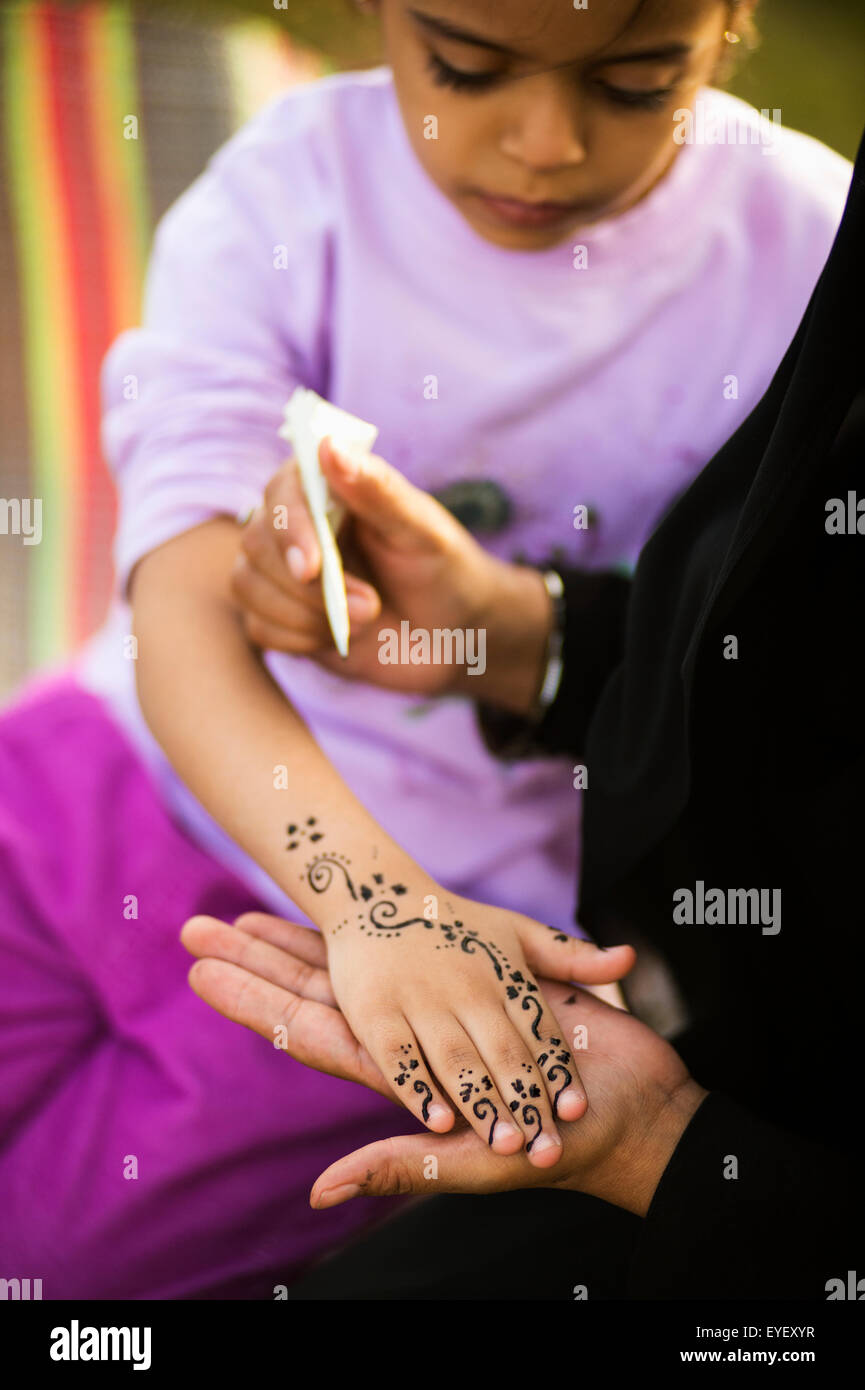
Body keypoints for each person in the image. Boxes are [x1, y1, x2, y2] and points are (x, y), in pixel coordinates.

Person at [0, 0, 852, 1297]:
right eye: (465, 68)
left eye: (633, 81)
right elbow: (179, 600)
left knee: (58, 1269)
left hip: (444, 941)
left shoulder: (808, 256)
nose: (545, 142)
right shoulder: (286, 189)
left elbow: (772, 665)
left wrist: (386, 919)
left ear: (729, 25)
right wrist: (366, 890)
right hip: (96, 783)